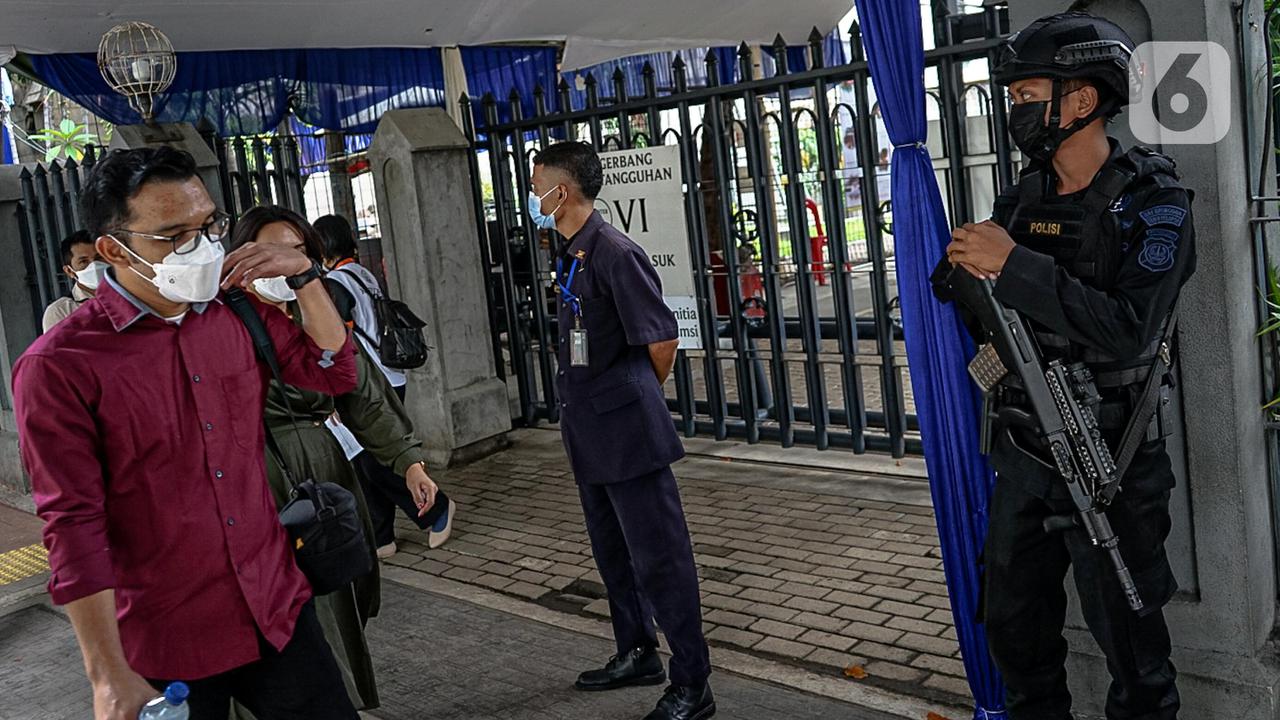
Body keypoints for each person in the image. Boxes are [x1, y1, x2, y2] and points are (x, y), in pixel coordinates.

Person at [14, 146, 360, 720]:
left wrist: (303, 275)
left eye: (208, 226)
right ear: (113, 249)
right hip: (165, 640)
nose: (200, 248)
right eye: (173, 236)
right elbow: (73, 525)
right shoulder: (60, 366)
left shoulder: (234, 313)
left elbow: (333, 370)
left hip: (274, 607)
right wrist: (106, 674)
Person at [933, 13, 1193, 720]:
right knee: (1014, 631)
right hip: (1026, 452)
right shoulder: (1024, 198)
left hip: (1113, 457)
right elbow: (981, 311)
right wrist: (966, 274)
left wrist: (1012, 265)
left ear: (1081, 99)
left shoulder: (1155, 201)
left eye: (1026, 95)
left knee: (1133, 653)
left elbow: (1128, 329)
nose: (1015, 110)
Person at [229, 205, 442, 712]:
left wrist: (409, 462)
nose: (284, 262)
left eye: (297, 251)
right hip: (262, 484)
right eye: (272, 251)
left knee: (344, 589)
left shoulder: (317, 310)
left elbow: (362, 393)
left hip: (326, 478)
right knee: (296, 612)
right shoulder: (225, 322)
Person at [529, 141, 714, 720]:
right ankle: (637, 650)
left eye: (536, 187)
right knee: (614, 554)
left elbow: (661, 340)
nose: (532, 197)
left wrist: (632, 399)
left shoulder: (613, 251)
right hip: (590, 432)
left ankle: (693, 684)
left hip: (628, 435)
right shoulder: (573, 253)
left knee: (661, 560)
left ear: (562, 191)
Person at [314, 213, 455, 558]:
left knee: (374, 462)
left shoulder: (335, 283)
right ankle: (381, 536)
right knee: (365, 464)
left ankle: (437, 508)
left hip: (367, 384)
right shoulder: (361, 274)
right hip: (390, 375)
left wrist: (331, 390)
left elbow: (338, 343)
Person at [42, 229, 107, 332]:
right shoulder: (61, 311)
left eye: (99, 258)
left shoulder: (130, 293)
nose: (94, 265)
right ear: (69, 271)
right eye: (84, 261)